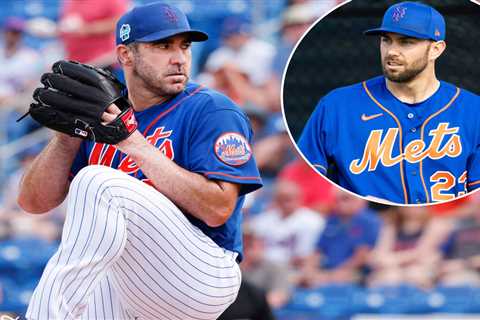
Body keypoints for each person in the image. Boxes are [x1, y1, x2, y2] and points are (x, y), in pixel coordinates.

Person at [17, 3, 262, 319]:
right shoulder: (104, 113)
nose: (179, 58)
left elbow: (217, 210)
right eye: (163, 46)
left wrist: (132, 142)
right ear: (125, 55)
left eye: (184, 46)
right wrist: (66, 137)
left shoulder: (211, 109)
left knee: (97, 181)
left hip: (203, 272)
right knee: (98, 269)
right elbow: (32, 202)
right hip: (136, 280)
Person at [297, 1, 480, 204]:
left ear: (436, 49)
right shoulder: (337, 106)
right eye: (386, 40)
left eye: (406, 42)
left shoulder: (473, 111)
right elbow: (305, 182)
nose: (391, 51)